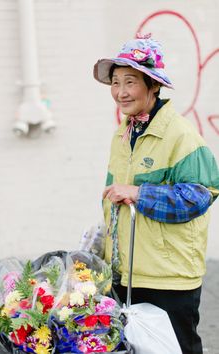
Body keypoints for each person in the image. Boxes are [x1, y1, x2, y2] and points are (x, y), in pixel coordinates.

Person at [93, 33, 219, 354]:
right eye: (115, 82)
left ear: (153, 86)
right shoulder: (123, 132)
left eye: (130, 82)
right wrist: (102, 248)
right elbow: (114, 200)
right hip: (127, 274)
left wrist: (139, 193)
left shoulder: (180, 135)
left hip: (168, 277)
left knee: (178, 348)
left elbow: (201, 195)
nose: (120, 92)